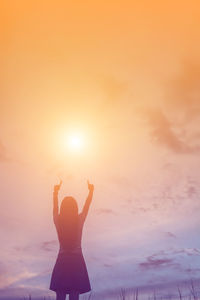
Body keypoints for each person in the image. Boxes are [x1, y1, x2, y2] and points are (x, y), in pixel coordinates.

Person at [49, 179, 94, 300]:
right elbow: (86, 207)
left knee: (60, 294)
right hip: (76, 261)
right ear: (75, 208)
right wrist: (91, 192)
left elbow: (55, 208)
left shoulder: (58, 220)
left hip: (62, 261)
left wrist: (55, 192)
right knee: (74, 294)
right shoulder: (79, 220)